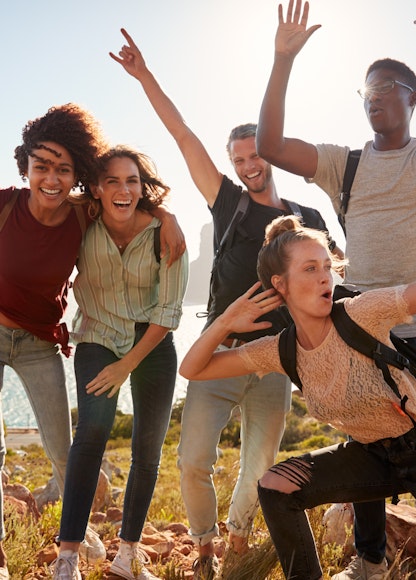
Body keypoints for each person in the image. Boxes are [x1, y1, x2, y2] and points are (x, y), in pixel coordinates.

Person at [255, 0, 416, 577]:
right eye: (367, 90)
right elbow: (272, 145)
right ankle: (371, 558)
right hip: (355, 329)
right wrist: (282, 60)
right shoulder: (343, 165)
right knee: (366, 437)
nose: (375, 96)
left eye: (388, 87)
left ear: (413, 98)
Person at [110, 29, 344, 579]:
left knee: (258, 464)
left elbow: (333, 288)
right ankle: (205, 544)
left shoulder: (309, 216)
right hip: (218, 353)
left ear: (270, 151)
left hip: (275, 360)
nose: (248, 165)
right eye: (238, 158)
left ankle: (238, 539)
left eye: (255, 154)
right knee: (192, 461)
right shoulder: (228, 202)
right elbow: (181, 132)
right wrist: (145, 76)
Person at [179, 214, 416, 580]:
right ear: (280, 284)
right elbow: (193, 369)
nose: (325, 276)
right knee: (275, 486)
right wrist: (226, 321)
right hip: (374, 455)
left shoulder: (362, 312)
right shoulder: (280, 350)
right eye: (309, 268)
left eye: (326, 266)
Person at [0, 105, 185, 579]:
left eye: (63, 169)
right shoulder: (34, 210)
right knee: (70, 435)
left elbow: (167, 310)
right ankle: (43, 552)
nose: (52, 179)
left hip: (77, 341)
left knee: (105, 448)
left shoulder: (116, 223)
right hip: (48, 333)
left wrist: (166, 215)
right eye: (42, 166)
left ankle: (105, 539)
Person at [53, 145, 189, 580]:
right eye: (111, 180)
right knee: (91, 431)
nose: (122, 190)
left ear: (142, 187)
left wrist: (127, 364)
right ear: (96, 186)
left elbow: (168, 314)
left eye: (131, 181)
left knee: (147, 451)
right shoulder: (82, 220)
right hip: (96, 337)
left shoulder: (166, 235)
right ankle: (67, 557)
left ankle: (128, 554)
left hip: (150, 344)